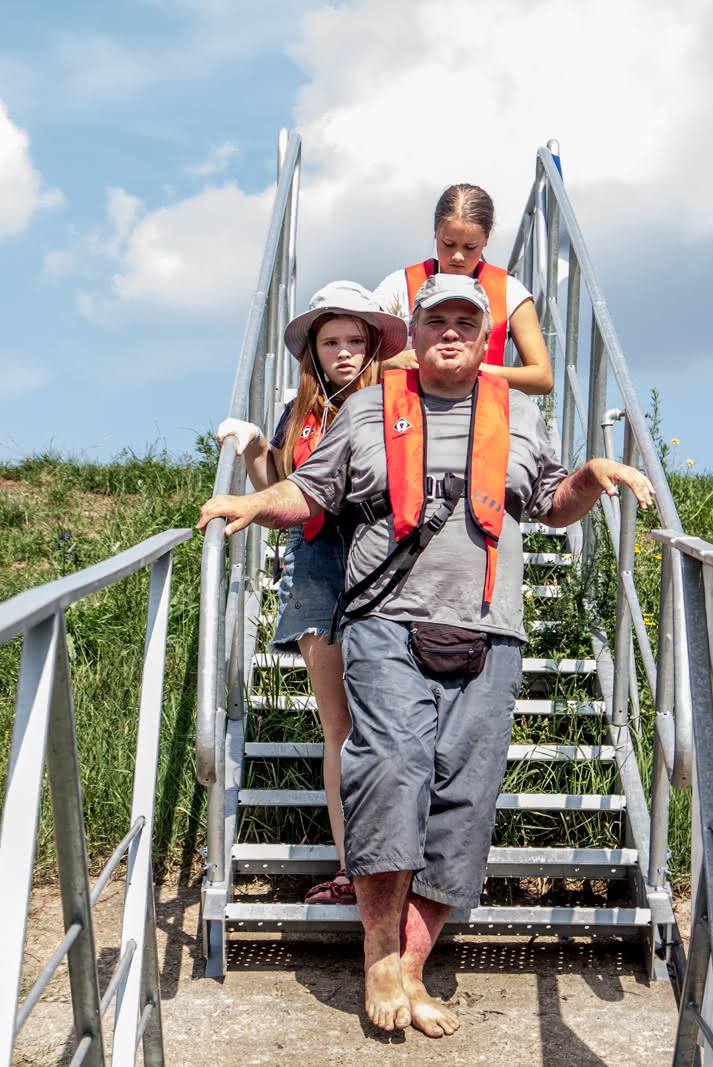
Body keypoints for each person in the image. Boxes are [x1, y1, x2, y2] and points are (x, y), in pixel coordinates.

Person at [198, 274, 654, 1038]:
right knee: (389, 766)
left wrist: (592, 479)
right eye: (435, 320)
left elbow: (548, 503)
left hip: (490, 629)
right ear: (412, 332)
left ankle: (413, 964)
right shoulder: (370, 409)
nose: (450, 332)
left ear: (485, 339)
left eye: (465, 323)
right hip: (384, 622)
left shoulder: (520, 415)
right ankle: (379, 954)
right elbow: (308, 494)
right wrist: (251, 503)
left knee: (465, 795)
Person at [214, 280, 407, 907]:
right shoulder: (300, 412)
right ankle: (354, 870)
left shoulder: (398, 404)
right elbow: (280, 489)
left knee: (395, 727)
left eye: (356, 339)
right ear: (314, 350)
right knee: (340, 726)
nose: (344, 352)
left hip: (389, 569)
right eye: (332, 341)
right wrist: (252, 452)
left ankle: (406, 872)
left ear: (375, 344)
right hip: (318, 568)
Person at [373, 182, 554, 395]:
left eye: (470, 247)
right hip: (408, 417)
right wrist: (389, 364)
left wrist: (474, 370)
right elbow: (353, 357)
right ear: (435, 232)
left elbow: (542, 378)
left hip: (485, 418)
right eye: (448, 244)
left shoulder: (511, 292)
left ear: (486, 240)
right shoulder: (397, 286)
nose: (458, 256)